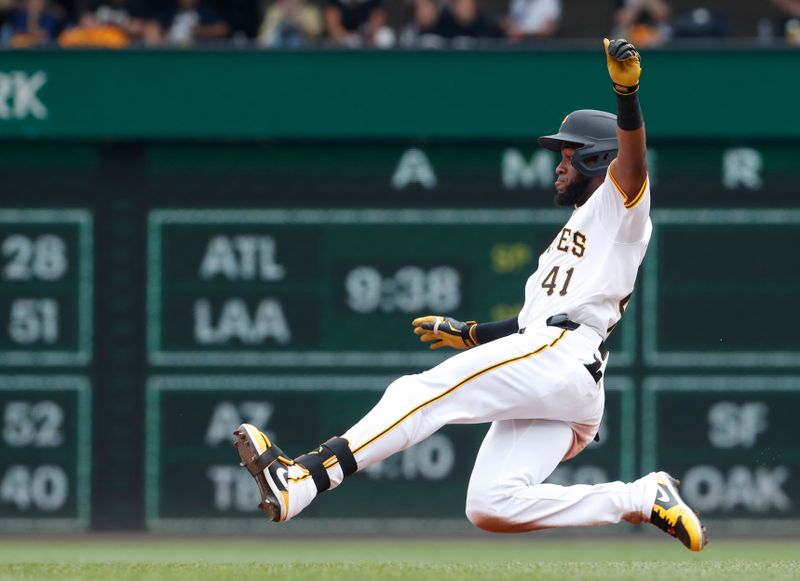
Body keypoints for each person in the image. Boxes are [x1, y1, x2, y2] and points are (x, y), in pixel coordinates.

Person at [234, 38, 708, 552]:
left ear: (598, 158)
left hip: (565, 356)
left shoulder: (622, 205)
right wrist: (469, 333)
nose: (558, 164)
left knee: (419, 393)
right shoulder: (575, 235)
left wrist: (626, 93)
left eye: (569, 154)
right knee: (491, 504)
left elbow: (634, 162)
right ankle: (640, 498)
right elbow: (530, 327)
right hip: (563, 370)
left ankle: (302, 480)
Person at [258, 0, 323, 48]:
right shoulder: (274, 10)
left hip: (305, 53)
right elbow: (264, 34)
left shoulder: (310, 11)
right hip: (277, 54)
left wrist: (297, 18)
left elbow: (316, 32)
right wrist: (282, 16)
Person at [164, 0, 230, 46]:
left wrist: (199, 31)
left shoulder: (206, 13)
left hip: (199, 56)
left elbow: (223, 29)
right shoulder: (171, 13)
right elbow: (157, 29)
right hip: (174, 55)